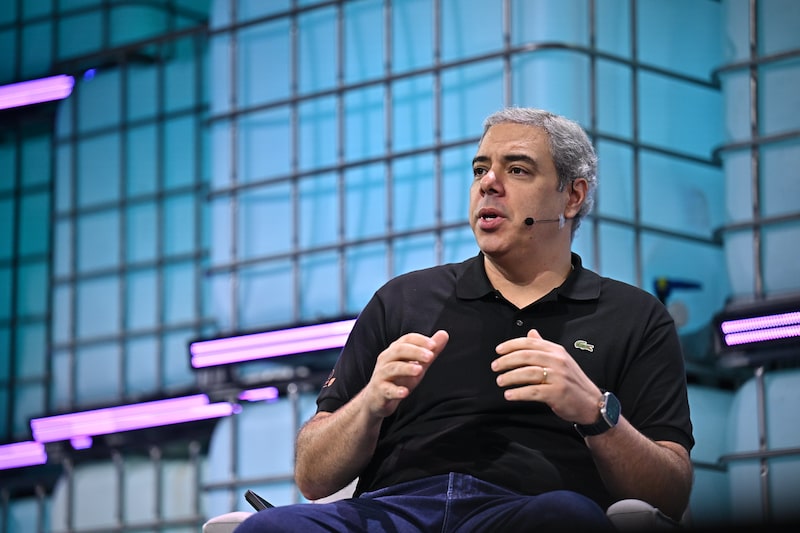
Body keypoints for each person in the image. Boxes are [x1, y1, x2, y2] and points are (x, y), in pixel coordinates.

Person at [235, 107, 694, 532]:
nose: (488, 183)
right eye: (480, 170)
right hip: (393, 511)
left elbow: (670, 494)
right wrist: (370, 403)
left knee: (567, 517)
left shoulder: (634, 317)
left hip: (526, 511)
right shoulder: (403, 299)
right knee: (267, 528)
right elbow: (312, 477)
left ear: (572, 196)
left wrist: (595, 413)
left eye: (517, 169)